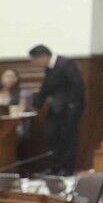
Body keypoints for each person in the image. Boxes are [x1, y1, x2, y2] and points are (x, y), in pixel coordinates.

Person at [29, 45, 84, 174]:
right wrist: (37, 104)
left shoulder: (65, 64)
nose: (34, 64)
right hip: (56, 110)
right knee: (52, 136)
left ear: (43, 57)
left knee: (68, 139)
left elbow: (78, 85)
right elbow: (46, 88)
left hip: (69, 109)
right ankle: (55, 167)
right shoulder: (50, 68)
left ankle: (67, 169)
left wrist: (73, 107)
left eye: (34, 60)